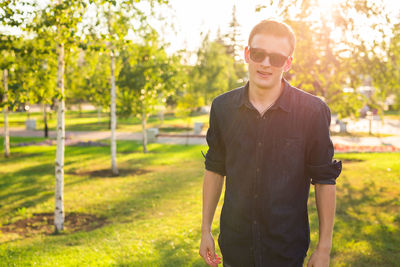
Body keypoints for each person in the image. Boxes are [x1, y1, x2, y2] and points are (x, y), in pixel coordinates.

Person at [199, 20, 342, 267]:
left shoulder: (313, 112)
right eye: (258, 54)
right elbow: (214, 169)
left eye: (276, 58)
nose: (265, 63)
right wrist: (205, 230)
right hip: (235, 248)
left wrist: (324, 248)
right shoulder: (222, 108)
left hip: (286, 250)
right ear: (247, 54)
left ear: (287, 63)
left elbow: (324, 181)